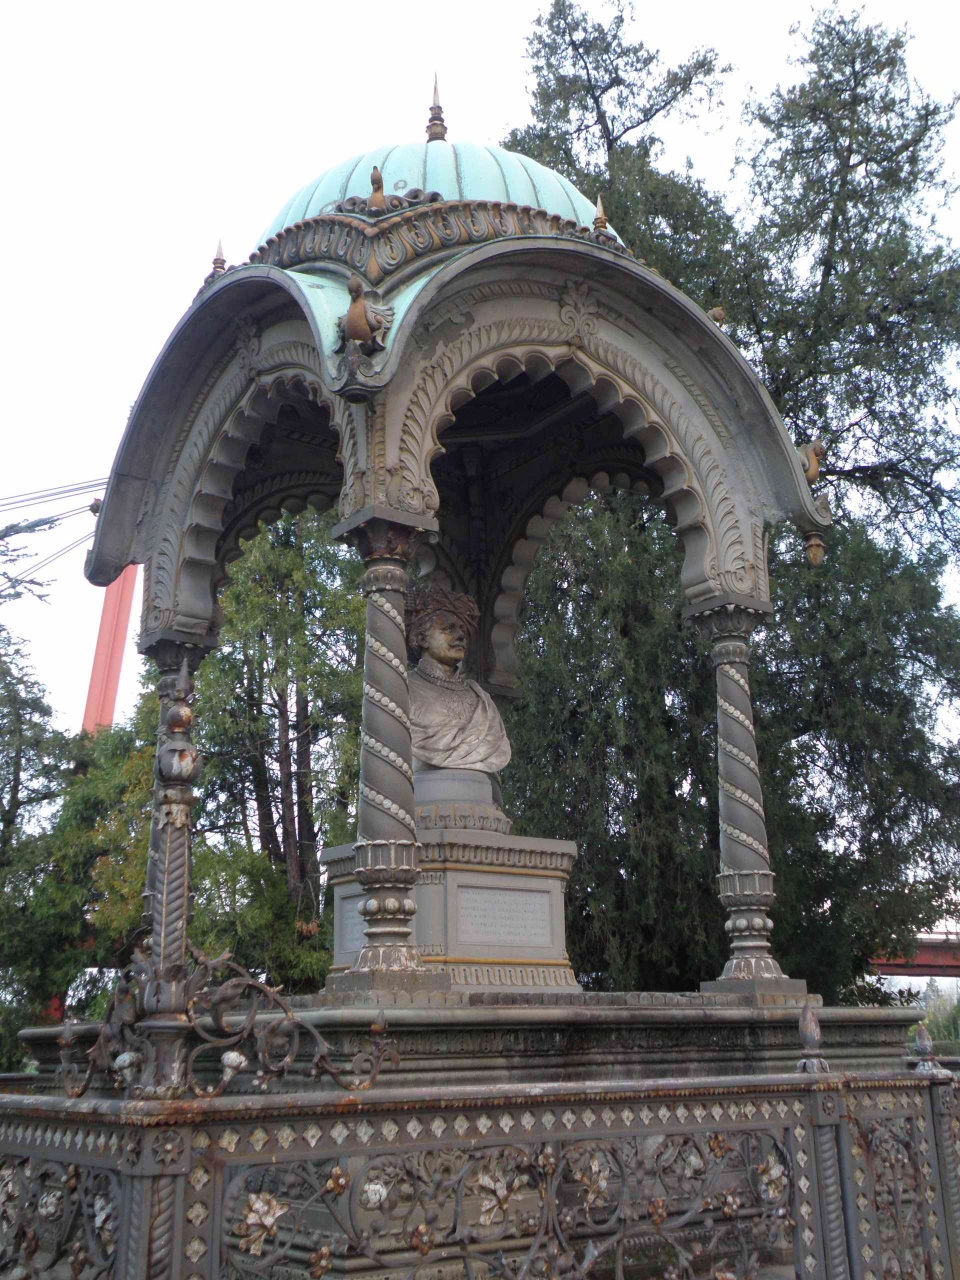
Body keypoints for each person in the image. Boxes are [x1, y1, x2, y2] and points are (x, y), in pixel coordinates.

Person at [406, 584, 511, 776]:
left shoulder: (481, 698)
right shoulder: (403, 689)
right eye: (448, 628)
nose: (461, 635)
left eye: (462, 628)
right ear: (422, 639)